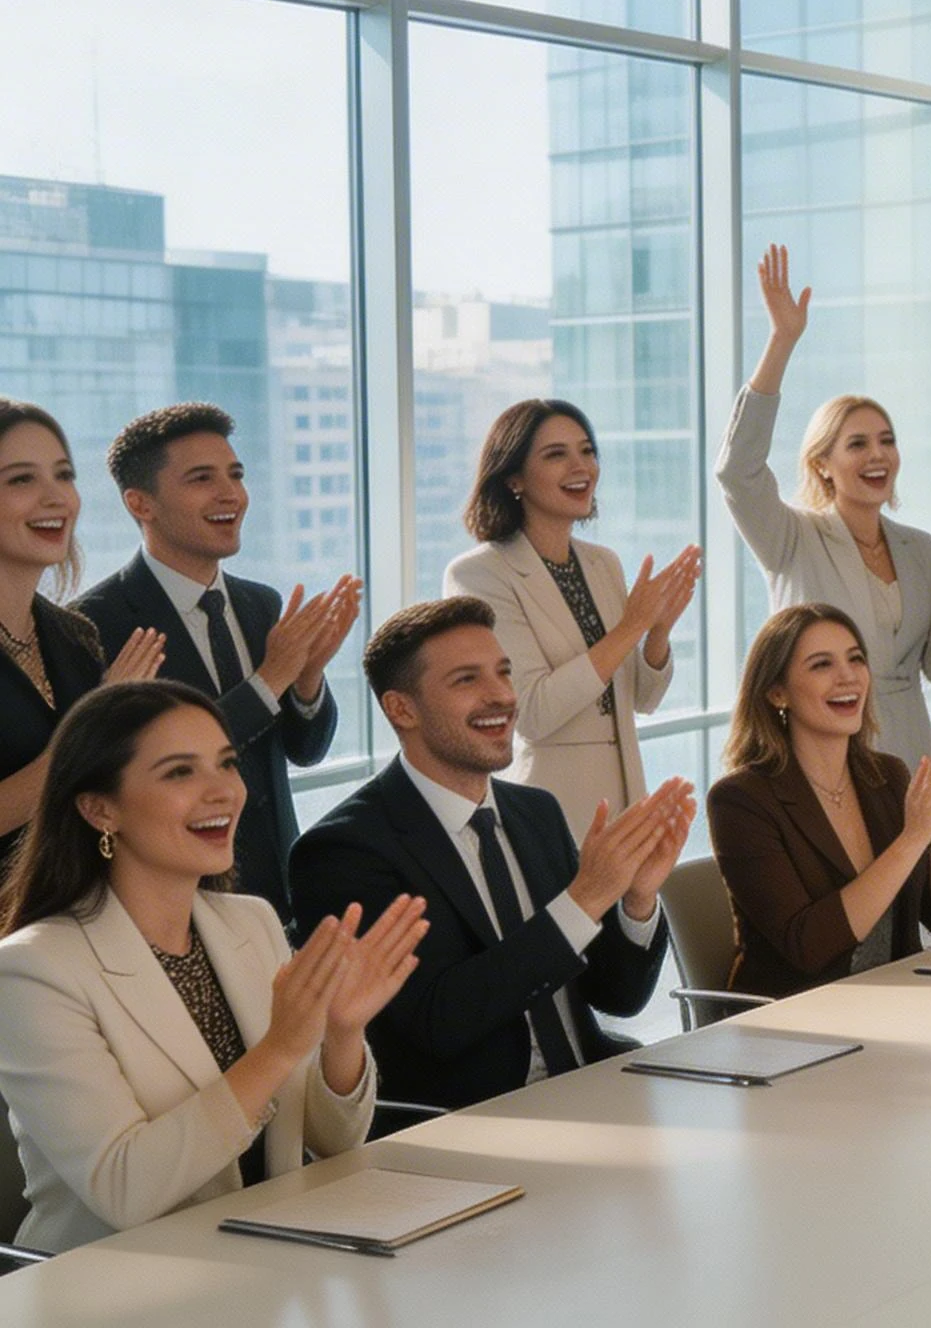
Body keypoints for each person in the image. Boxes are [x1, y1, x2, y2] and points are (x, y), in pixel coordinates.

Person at [0, 681, 424, 1252]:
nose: (223, 790)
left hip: (266, 1261)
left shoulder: (250, 922)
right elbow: (124, 1192)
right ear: (100, 810)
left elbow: (334, 1142)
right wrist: (278, 1048)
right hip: (112, 1286)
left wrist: (342, 1035)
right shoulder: (32, 971)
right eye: (180, 772)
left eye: (227, 764)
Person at [287, 598, 689, 1112]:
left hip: (592, 1091)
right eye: (466, 680)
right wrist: (584, 898)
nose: (500, 695)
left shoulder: (535, 812)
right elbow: (436, 1023)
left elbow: (618, 998)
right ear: (401, 708)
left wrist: (636, 900)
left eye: (503, 673)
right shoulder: (343, 851)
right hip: (469, 1122)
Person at [77, 404, 361, 926]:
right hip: (170, 904)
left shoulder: (261, 605)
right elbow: (136, 768)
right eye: (201, 478)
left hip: (278, 894)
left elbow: (306, 750)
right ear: (140, 503)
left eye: (235, 474)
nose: (230, 493)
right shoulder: (95, 625)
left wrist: (307, 679)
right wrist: (270, 679)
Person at [716, 245, 931, 771]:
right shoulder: (792, 538)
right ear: (822, 464)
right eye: (858, 444)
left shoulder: (919, 546)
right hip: (827, 754)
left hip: (911, 755)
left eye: (886, 441)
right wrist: (782, 341)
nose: (877, 456)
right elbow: (737, 471)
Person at [444, 398, 700, 840]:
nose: (581, 466)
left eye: (587, 450)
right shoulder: (479, 574)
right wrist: (631, 628)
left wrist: (657, 631)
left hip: (625, 800)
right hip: (546, 806)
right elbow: (532, 712)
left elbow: (642, 698)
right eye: (556, 454)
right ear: (514, 478)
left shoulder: (604, 564)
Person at [706, 604, 931, 998]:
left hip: (896, 1004)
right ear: (777, 692)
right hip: (795, 1022)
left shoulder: (886, 776)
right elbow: (808, 946)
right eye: (822, 665)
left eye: (856, 659)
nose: (848, 676)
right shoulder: (740, 802)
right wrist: (910, 840)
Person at [0, 399, 164, 862]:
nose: (57, 499)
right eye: (21, 479)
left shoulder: (75, 635)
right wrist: (92, 730)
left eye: (64, 475)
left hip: (74, 912)